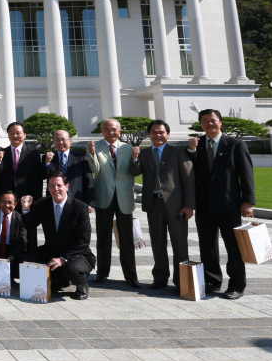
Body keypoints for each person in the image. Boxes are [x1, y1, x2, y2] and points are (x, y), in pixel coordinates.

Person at [188, 108, 255, 300]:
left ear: (220, 122)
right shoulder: (197, 146)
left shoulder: (235, 144)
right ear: (200, 124)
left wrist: (247, 201)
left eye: (213, 120)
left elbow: (246, 175)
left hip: (229, 205)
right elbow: (190, 172)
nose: (209, 124)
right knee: (207, 246)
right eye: (205, 121)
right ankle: (211, 281)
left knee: (233, 247)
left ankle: (236, 285)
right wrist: (191, 151)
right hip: (204, 206)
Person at [130, 120, 194, 289]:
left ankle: (181, 281)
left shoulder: (178, 152)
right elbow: (134, 172)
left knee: (179, 244)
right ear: (149, 134)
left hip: (176, 206)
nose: (157, 135)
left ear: (168, 134)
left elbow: (188, 180)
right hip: (154, 204)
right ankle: (160, 278)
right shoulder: (143, 154)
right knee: (158, 243)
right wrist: (135, 159)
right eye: (154, 132)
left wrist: (189, 206)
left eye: (161, 132)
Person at [86, 119, 142, 289]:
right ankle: (102, 273)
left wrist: (134, 158)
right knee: (103, 238)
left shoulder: (127, 148)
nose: (111, 132)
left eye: (114, 129)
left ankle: (131, 275)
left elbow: (135, 171)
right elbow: (95, 169)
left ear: (120, 131)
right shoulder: (96, 146)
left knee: (126, 238)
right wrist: (92, 153)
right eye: (107, 129)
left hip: (124, 197)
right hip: (104, 197)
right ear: (101, 131)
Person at [21, 172, 95, 300]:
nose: (55, 189)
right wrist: (26, 209)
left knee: (72, 269)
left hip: (76, 254)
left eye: (59, 185)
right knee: (27, 260)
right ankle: (59, 280)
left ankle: (81, 285)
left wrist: (63, 258)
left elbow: (83, 241)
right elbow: (29, 225)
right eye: (51, 186)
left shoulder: (80, 207)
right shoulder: (43, 204)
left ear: (67, 186)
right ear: (48, 188)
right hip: (51, 250)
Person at [43, 129, 95, 208]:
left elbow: (89, 180)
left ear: (70, 141)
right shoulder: (48, 158)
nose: (60, 143)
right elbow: (42, 176)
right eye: (57, 139)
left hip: (77, 199)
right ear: (53, 141)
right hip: (54, 199)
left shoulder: (81, 157)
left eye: (63, 139)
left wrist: (90, 202)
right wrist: (46, 163)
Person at [0, 122, 44, 203]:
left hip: (27, 196)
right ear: (8, 135)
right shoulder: (1, 152)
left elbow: (37, 178)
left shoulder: (33, 153)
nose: (15, 136)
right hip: (7, 198)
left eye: (18, 133)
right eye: (12, 133)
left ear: (24, 134)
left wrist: (36, 198)